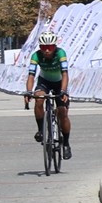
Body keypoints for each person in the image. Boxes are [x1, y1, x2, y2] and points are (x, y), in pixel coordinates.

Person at [24, 30, 72, 160]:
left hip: (60, 83)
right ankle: (41, 130)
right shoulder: (36, 56)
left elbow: (65, 74)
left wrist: (63, 91)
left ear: (54, 46)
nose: (46, 50)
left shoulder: (61, 53)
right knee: (38, 99)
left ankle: (66, 143)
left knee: (62, 112)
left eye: (49, 47)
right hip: (44, 82)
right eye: (43, 47)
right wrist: (29, 91)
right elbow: (31, 75)